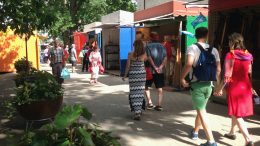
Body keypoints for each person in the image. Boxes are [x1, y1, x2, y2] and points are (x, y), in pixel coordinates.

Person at [180, 27, 221, 146]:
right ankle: (195, 132)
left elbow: (188, 64)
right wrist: (218, 86)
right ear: (207, 35)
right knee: (201, 109)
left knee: (202, 111)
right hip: (209, 85)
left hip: (196, 85)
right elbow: (218, 69)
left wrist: (182, 78)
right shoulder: (214, 50)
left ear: (195, 35)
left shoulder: (192, 48)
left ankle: (211, 141)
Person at [214, 33, 254, 146]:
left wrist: (219, 88)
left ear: (232, 42)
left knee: (237, 114)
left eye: (229, 41)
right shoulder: (249, 55)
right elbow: (249, 72)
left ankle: (248, 140)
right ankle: (232, 132)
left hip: (235, 88)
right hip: (245, 87)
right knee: (236, 112)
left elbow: (227, 75)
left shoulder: (230, 55)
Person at [122, 40, 147, 120]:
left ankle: (137, 112)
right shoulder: (144, 54)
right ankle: (139, 111)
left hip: (133, 75)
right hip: (142, 75)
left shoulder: (130, 54)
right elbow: (145, 62)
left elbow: (128, 66)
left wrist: (125, 75)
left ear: (134, 46)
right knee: (140, 93)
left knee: (133, 93)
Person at [145, 32, 167, 111]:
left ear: (150, 38)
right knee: (159, 87)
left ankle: (150, 103)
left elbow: (149, 57)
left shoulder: (148, 46)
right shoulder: (162, 46)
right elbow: (165, 58)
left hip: (150, 70)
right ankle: (159, 105)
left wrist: (154, 67)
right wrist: (160, 67)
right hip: (160, 71)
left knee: (147, 86)